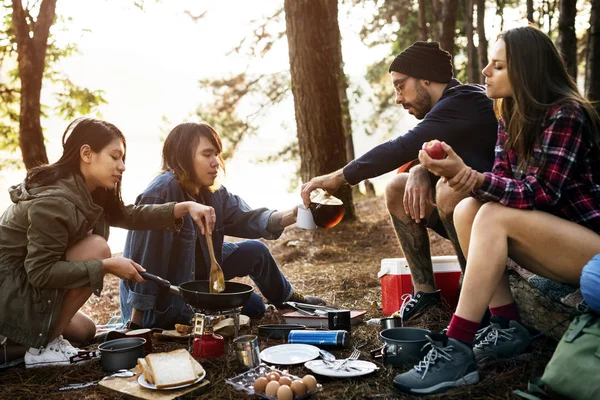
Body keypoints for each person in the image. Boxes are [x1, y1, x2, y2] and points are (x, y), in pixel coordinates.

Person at [394, 26, 600, 395]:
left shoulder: (566, 114)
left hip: (590, 246)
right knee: (468, 209)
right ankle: (507, 326)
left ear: (528, 71)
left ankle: (457, 350)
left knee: (488, 212)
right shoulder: (509, 114)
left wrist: (469, 176)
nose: (485, 72)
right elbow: (501, 181)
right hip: (553, 239)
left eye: (499, 66)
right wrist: (454, 173)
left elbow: (540, 193)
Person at [0, 118, 223, 368]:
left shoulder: (89, 191)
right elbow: (40, 273)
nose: (122, 166)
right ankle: (39, 349)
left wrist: (186, 207)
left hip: (24, 288)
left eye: (123, 158)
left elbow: (130, 215)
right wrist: (106, 266)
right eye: (115, 157)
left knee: (86, 331)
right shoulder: (55, 201)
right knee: (97, 248)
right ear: (87, 154)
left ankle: (24, 345)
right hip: (8, 291)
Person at [301, 41, 498, 320]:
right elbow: (425, 149)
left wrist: (338, 178)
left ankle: (476, 293)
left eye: (399, 85)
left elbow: (400, 146)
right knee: (397, 187)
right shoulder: (452, 106)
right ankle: (426, 296)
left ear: (425, 78)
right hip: (478, 211)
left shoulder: (464, 100)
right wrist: (419, 168)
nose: (397, 97)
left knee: (448, 189)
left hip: (502, 210)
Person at [119, 122, 322, 330]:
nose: (216, 162)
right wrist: (137, 324)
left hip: (205, 272)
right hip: (170, 301)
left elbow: (250, 219)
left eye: (216, 154)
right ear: (183, 158)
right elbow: (145, 261)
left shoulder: (212, 191)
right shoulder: (161, 192)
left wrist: (293, 215)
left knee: (257, 250)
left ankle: (288, 300)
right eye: (207, 155)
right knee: (255, 306)